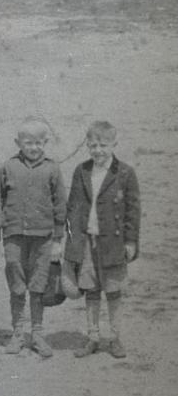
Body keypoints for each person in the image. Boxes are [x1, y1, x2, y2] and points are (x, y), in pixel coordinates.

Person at [64, 120, 139, 360]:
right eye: (93, 145)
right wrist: (72, 242)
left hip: (113, 244)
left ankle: (116, 338)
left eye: (103, 145)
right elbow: (73, 208)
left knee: (114, 291)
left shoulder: (125, 173)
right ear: (87, 145)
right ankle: (93, 336)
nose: (97, 150)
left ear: (114, 144)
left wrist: (131, 242)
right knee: (91, 290)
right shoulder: (81, 171)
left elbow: (132, 211)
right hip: (87, 242)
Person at [0, 117, 66, 358]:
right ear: (18, 142)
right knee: (16, 282)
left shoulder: (52, 168)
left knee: (38, 284)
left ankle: (37, 333)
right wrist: (0, 234)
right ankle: (17, 332)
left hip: (43, 237)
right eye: (28, 143)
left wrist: (58, 240)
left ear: (45, 143)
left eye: (38, 143)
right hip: (14, 235)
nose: (34, 147)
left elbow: (60, 206)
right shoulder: (7, 167)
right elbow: (0, 202)